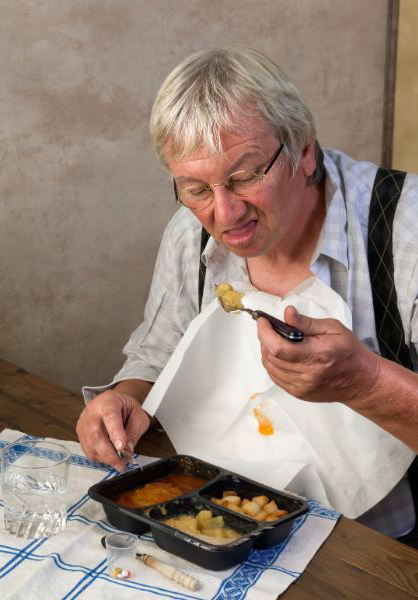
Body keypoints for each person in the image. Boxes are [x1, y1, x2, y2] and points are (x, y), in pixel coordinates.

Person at [75, 46, 418, 541]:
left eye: (245, 177)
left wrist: (364, 382)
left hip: (377, 549)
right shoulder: (189, 236)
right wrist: (125, 398)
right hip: (224, 521)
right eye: (195, 189)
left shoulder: (405, 230)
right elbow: (156, 355)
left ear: (303, 150)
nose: (225, 215)